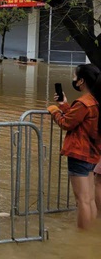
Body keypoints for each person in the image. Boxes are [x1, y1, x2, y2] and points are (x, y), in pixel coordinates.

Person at [48, 64, 101, 229]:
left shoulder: (84, 102)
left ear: (81, 81)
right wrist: (64, 105)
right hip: (92, 154)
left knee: (82, 201)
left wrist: (54, 110)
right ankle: (90, 235)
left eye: (74, 76)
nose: (73, 79)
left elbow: (66, 123)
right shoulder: (95, 101)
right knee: (89, 199)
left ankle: (83, 237)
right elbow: (80, 119)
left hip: (79, 154)